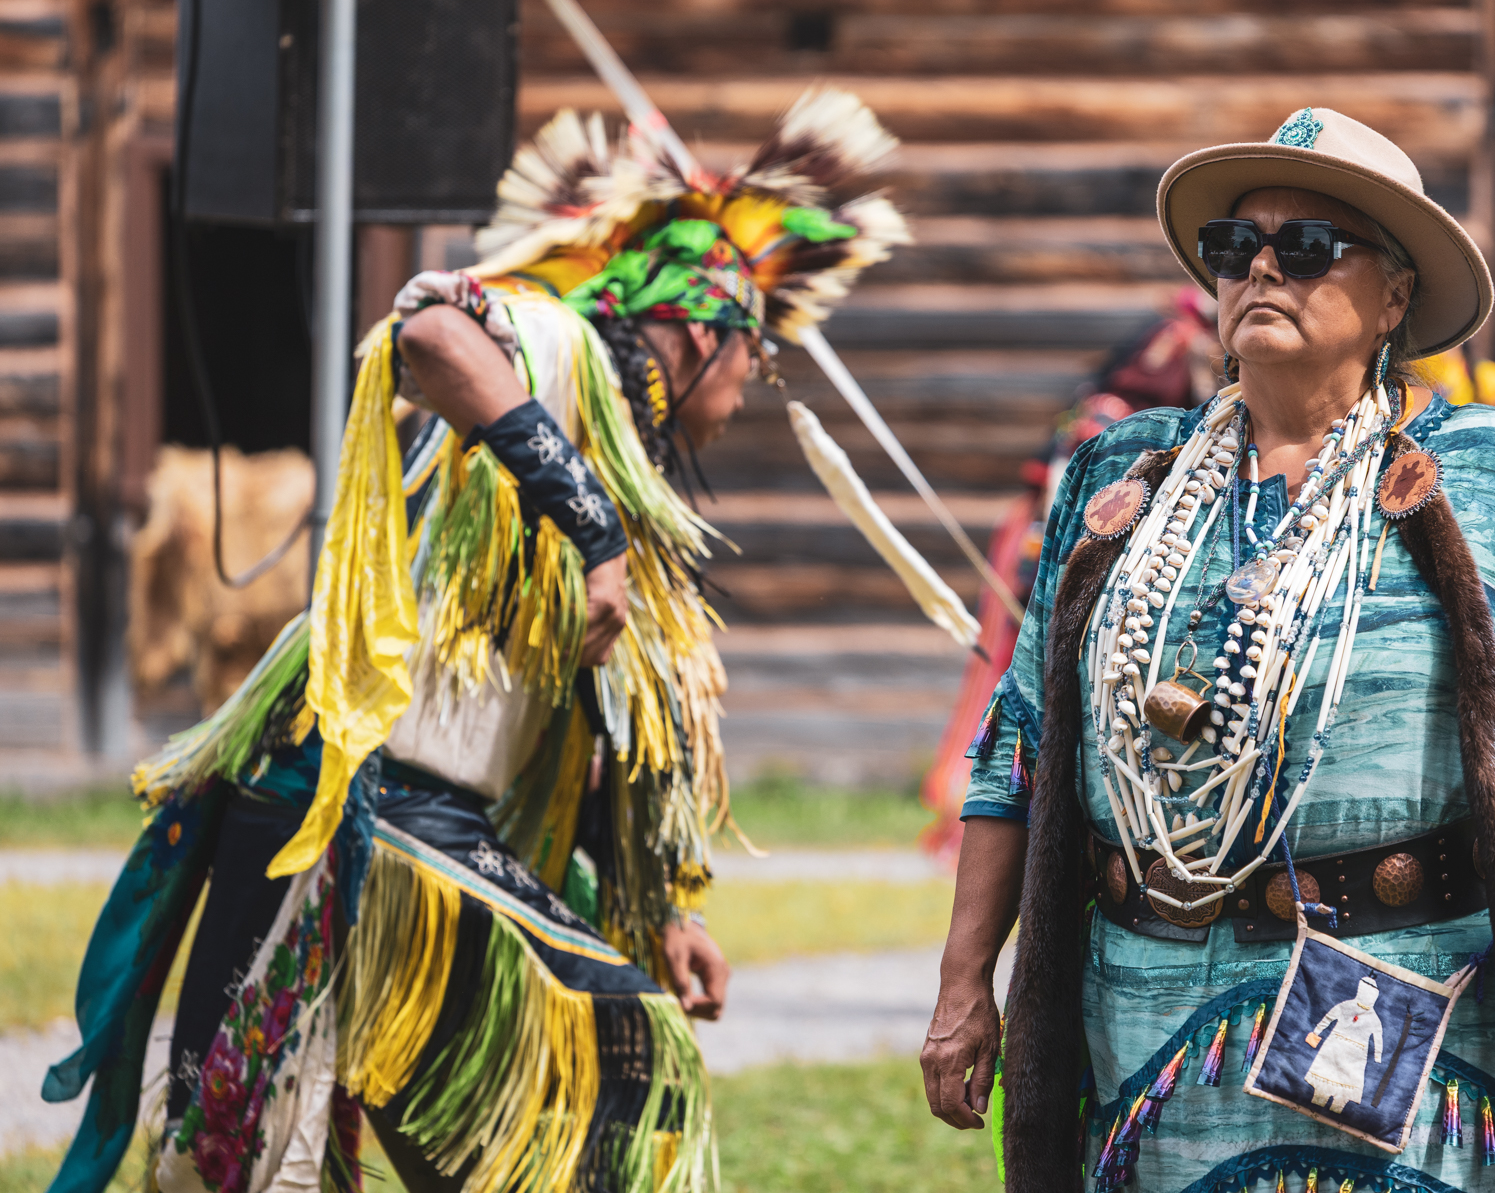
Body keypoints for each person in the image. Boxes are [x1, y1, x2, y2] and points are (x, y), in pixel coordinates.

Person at [44, 90, 909, 1193]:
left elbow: (597, 726)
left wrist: (669, 910)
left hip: (422, 821)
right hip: (340, 796)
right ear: (705, 329)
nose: (751, 389)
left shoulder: (630, 456)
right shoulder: (556, 348)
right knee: (258, 1160)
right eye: (758, 359)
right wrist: (585, 519)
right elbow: (428, 332)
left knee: (566, 1098)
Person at [921, 108, 1495, 1191]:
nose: (1263, 269)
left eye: (1310, 246)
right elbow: (1025, 751)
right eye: (1237, 248)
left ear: (1393, 297)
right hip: (1150, 1021)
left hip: (1414, 1013)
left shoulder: (1491, 473)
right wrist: (966, 986)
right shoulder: (1123, 477)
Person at [919, 287, 1223, 862]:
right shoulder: (1110, 417)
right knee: (1012, 679)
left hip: (1057, 552)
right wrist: (1048, 575)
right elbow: (1063, 503)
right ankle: (971, 814)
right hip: (1039, 553)